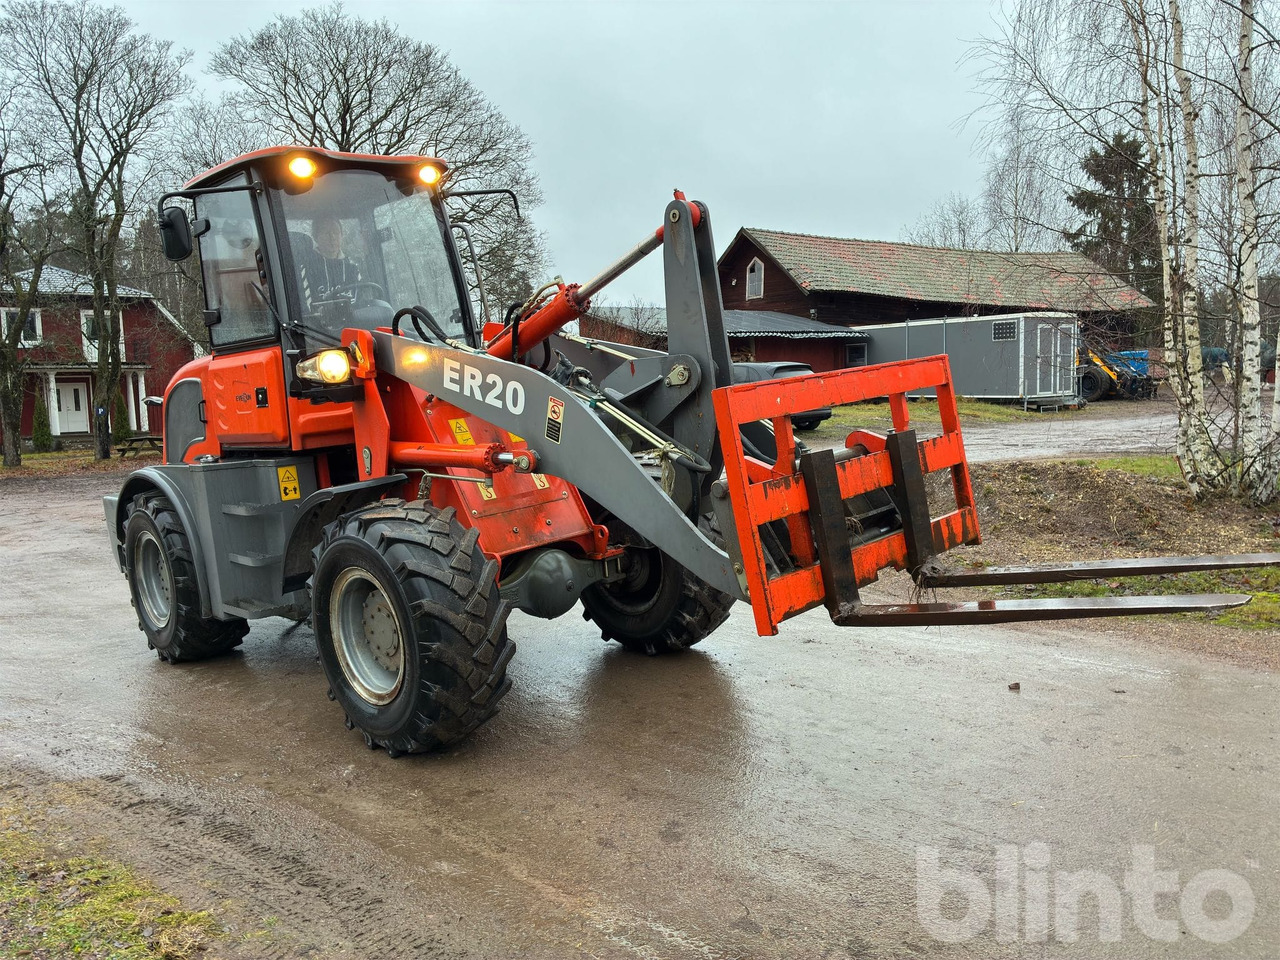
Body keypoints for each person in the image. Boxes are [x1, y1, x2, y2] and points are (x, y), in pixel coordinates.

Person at [297, 217, 361, 306]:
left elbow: (362, 302)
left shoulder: (352, 268)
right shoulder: (307, 267)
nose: (332, 237)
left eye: (336, 232)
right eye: (326, 233)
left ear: (341, 235)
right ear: (315, 237)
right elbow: (306, 307)